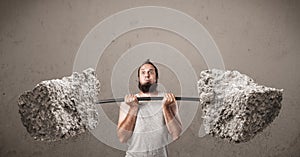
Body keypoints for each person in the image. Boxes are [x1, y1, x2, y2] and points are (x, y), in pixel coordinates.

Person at [117, 60, 182, 157]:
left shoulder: (168, 100)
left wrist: (165, 107)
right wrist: (133, 108)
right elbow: (122, 138)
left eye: (151, 72)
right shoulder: (128, 103)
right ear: (138, 79)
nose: (147, 75)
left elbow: (176, 134)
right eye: (143, 72)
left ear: (156, 78)